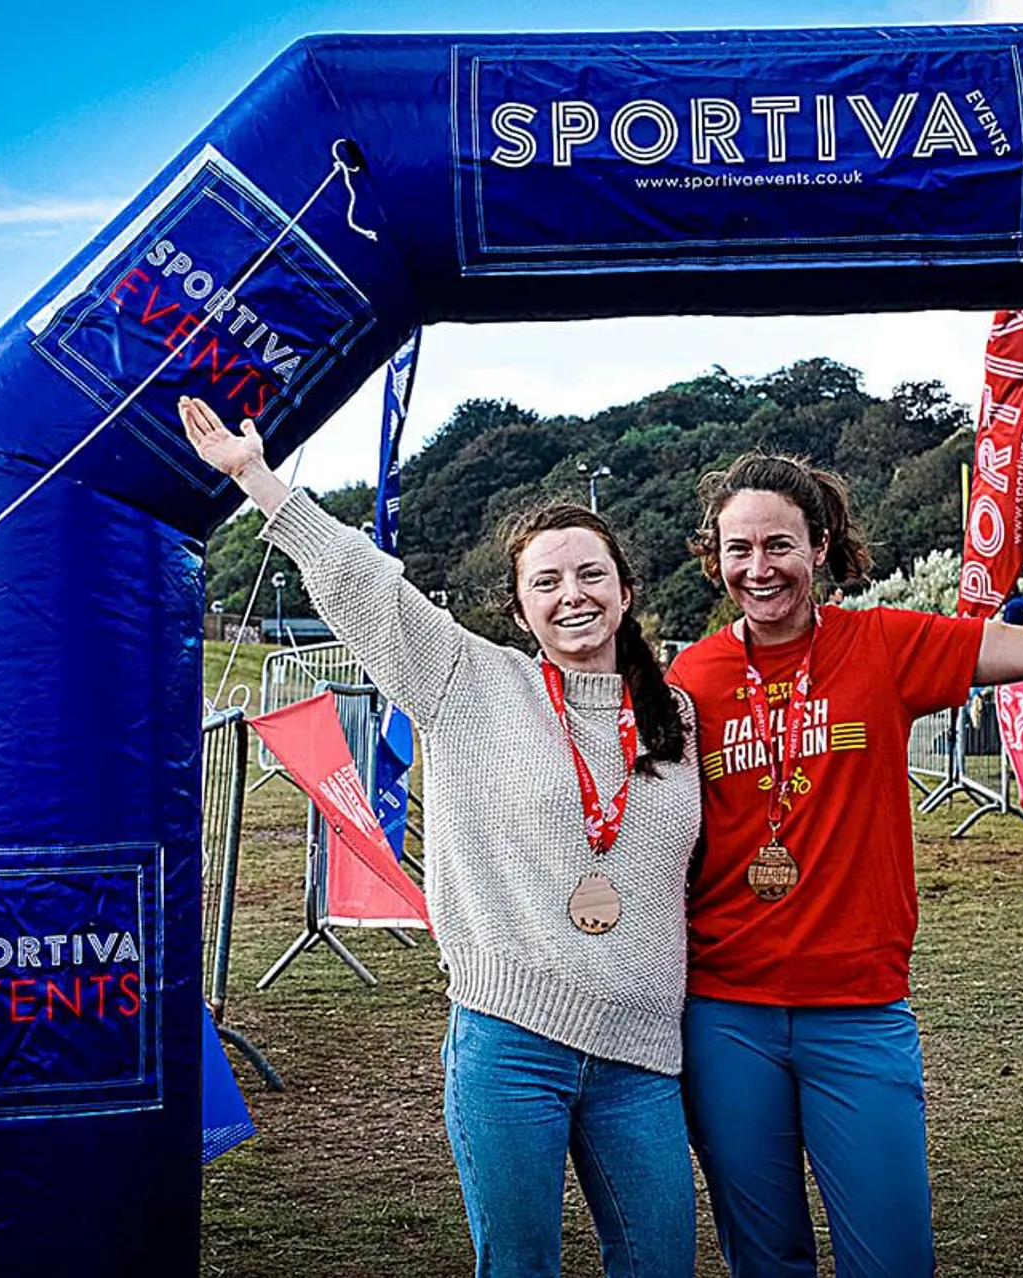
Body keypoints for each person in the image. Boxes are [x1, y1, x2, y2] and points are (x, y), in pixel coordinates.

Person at [178, 397, 701, 1278]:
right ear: (519, 608)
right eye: (546, 582)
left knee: (662, 1263)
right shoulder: (470, 681)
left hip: (642, 1048)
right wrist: (259, 481)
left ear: (625, 588)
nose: (571, 595)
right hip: (510, 1040)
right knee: (518, 1267)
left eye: (589, 574)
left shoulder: (676, 714)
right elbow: (363, 585)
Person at [667, 430, 1023, 1278]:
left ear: (819, 549)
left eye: (780, 544)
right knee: (766, 1259)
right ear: (715, 559)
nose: (760, 567)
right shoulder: (692, 678)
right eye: (738, 548)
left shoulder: (884, 645)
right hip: (725, 1012)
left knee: (891, 1258)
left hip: (857, 1007)